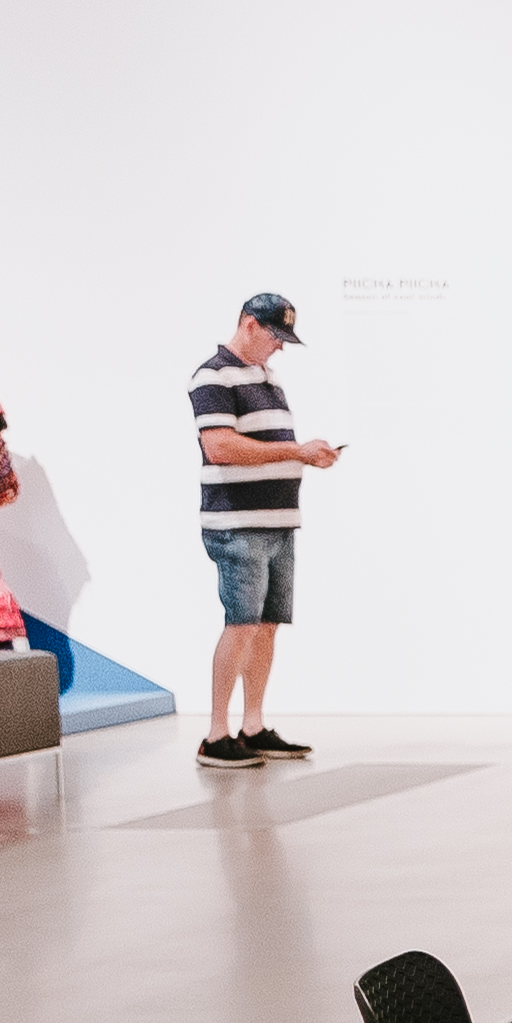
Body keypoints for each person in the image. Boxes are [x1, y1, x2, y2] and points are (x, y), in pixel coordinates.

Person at [189, 290, 335, 768]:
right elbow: (221, 448)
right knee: (241, 624)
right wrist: (296, 452)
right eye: (275, 335)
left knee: (266, 627)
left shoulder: (266, 378)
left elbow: (263, 445)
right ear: (249, 324)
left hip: (276, 523)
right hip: (238, 525)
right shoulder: (213, 375)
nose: (280, 346)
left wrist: (308, 455)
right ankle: (216, 733)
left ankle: (252, 726)